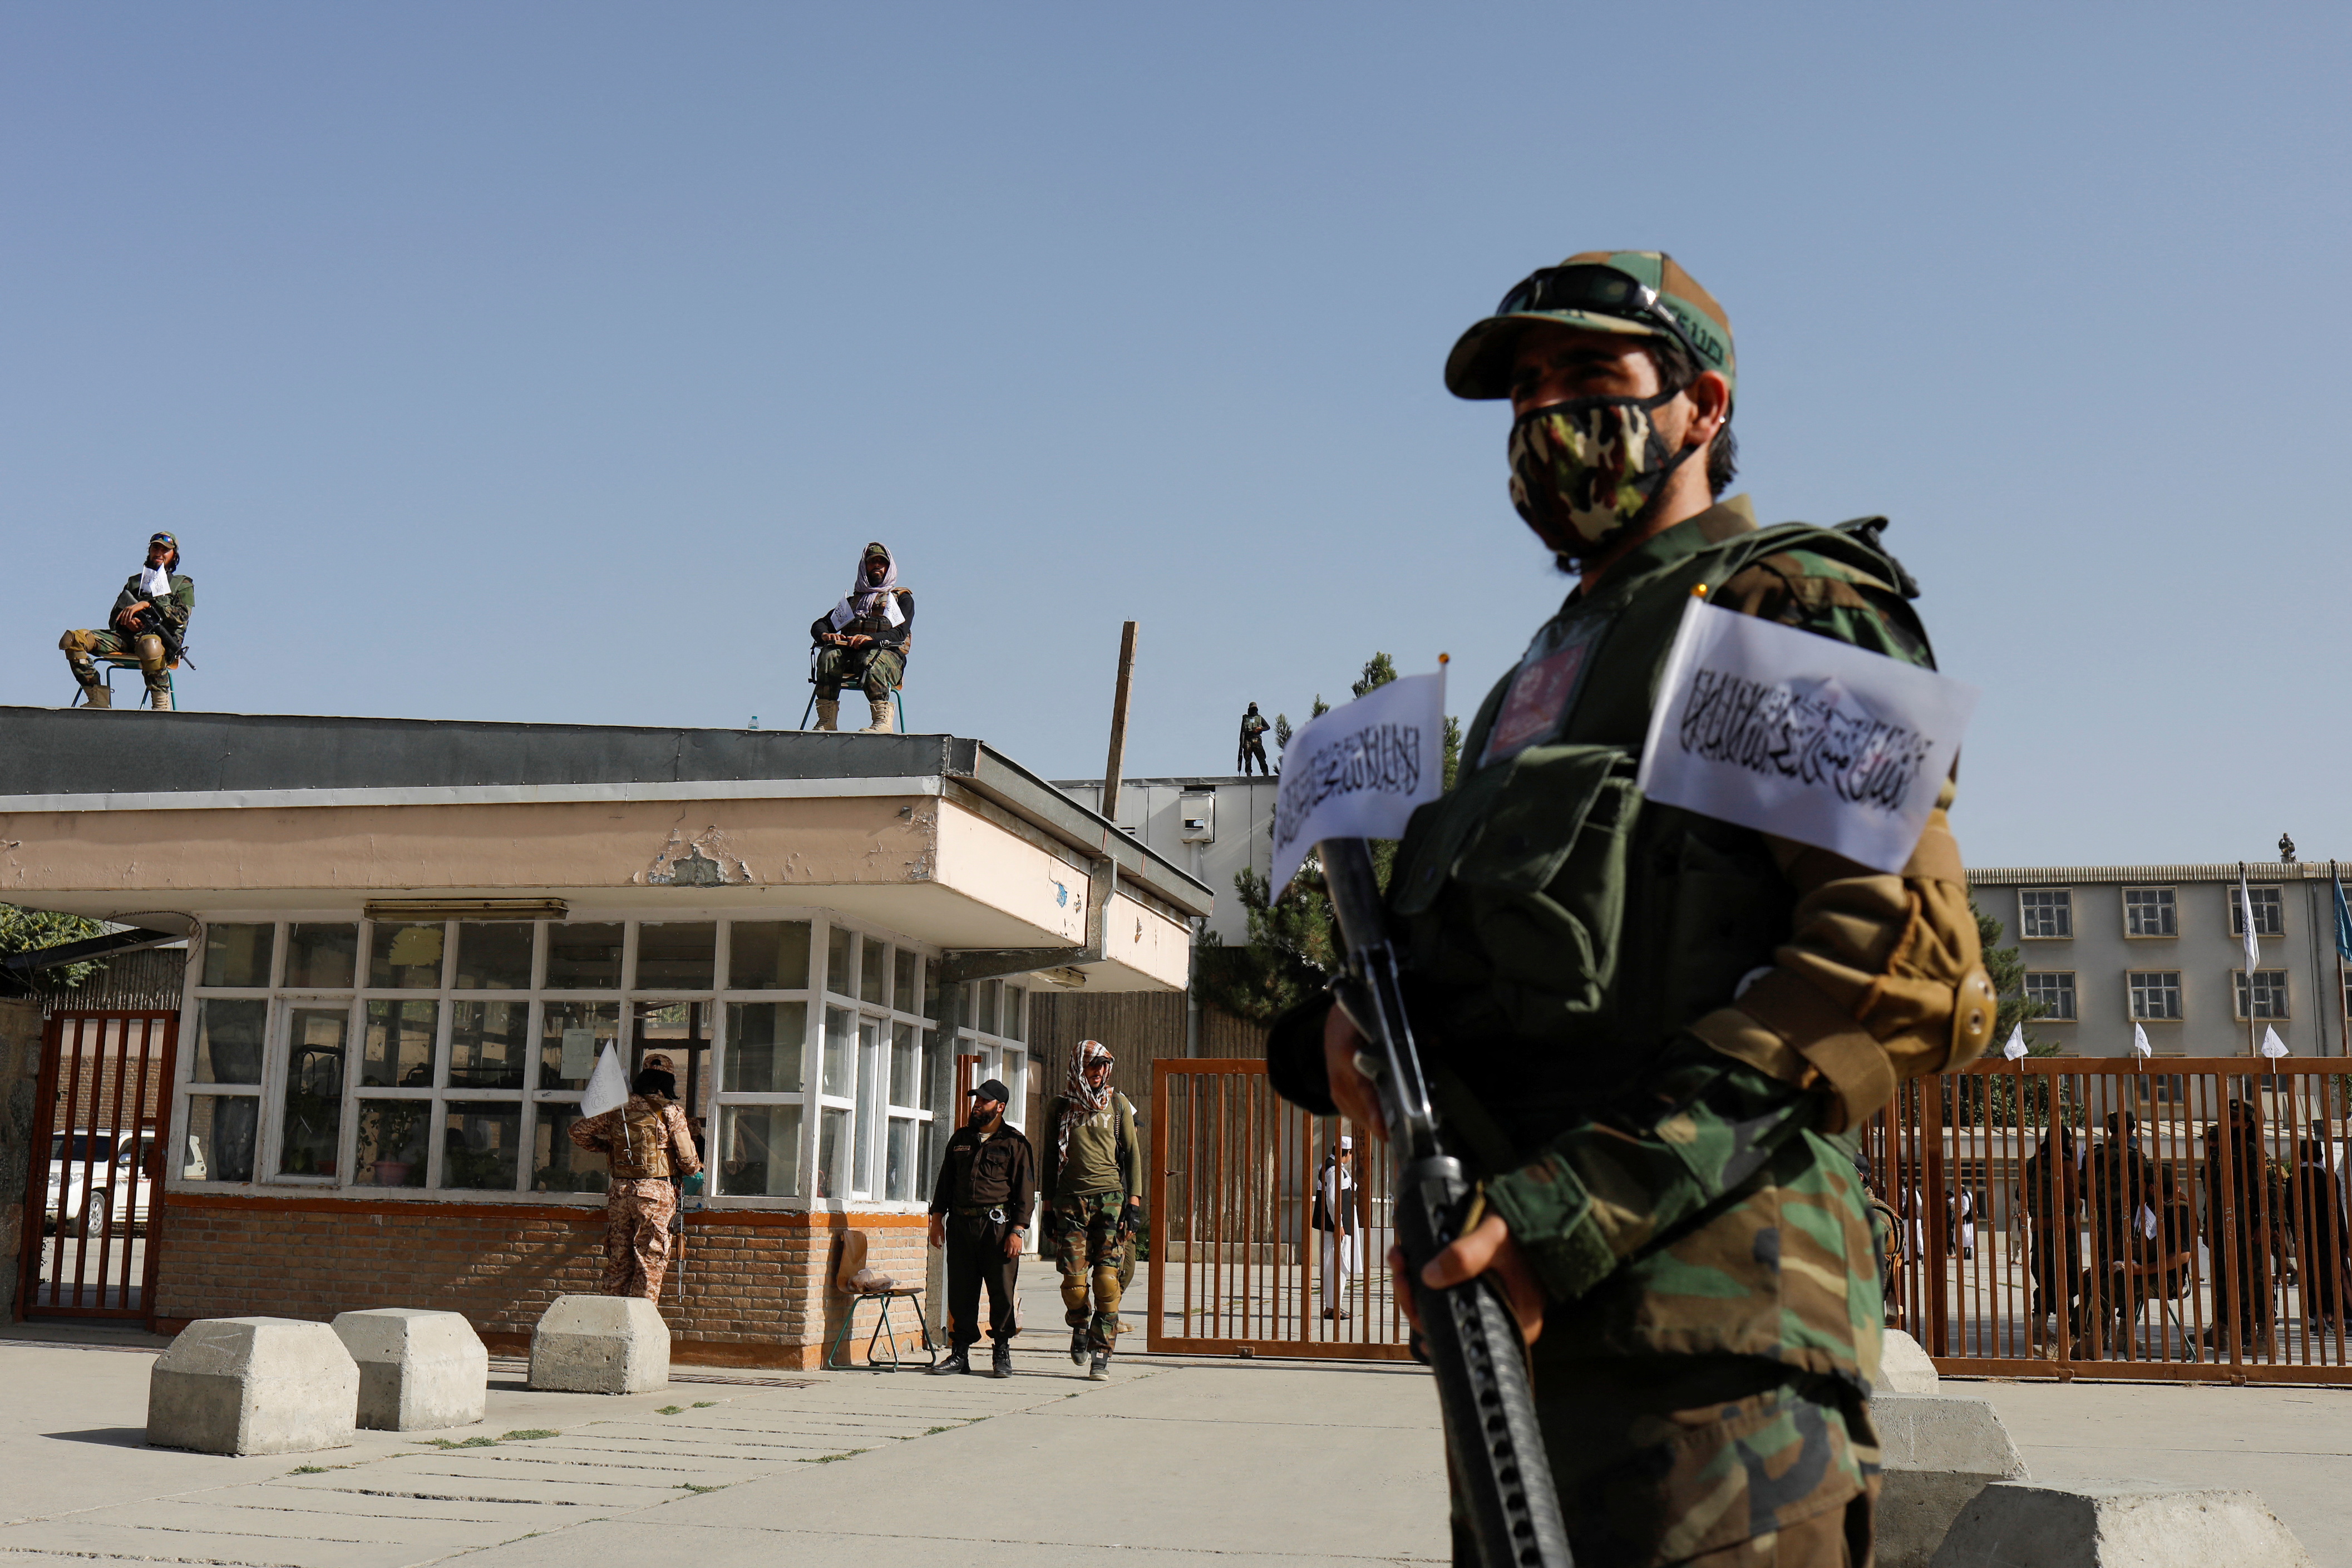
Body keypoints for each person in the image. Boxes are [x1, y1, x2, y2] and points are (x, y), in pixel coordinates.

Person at [1267, 250, 1992, 1566]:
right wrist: (1344, 1024)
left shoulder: (1776, 601)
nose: (1547, 413)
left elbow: (1890, 963)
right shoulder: (1536, 679)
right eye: (1525, 388)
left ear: (1700, 406)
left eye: (1590, 375)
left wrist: (1568, 1208)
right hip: (1525, 1352)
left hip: (1712, 1375)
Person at [1039, 1039, 1141, 1381]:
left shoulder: (1117, 1103)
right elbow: (1049, 1158)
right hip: (1070, 1203)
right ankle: (1081, 1324)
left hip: (1110, 1202)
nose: (1097, 1072)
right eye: (1091, 1065)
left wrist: (1134, 1204)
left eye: (1102, 1066)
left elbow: (1133, 1154)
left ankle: (1101, 1353)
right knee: (1074, 1285)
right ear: (1078, 1068)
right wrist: (1047, 1208)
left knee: (1107, 1282)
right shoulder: (1060, 1106)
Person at [926, 1078, 1035, 1378]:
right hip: (961, 1225)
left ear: (1000, 1107)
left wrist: (1018, 1230)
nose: (977, 1105)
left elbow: (1025, 1191)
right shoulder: (961, 1138)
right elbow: (945, 1182)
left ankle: (1001, 1353)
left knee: (1002, 1292)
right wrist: (937, 1219)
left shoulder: (1015, 1143)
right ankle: (959, 1354)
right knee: (961, 1291)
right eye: (977, 1100)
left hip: (998, 1228)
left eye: (984, 1101)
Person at [568, 1063, 701, 1301]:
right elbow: (689, 1164)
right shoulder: (669, 1111)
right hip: (654, 1196)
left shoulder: (616, 1110)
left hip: (620, 1194)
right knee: (650, 1264)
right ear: (667, 1082)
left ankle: (610, 1319)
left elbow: (577, 1132)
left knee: (618, 1263)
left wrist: (607, 1148)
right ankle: (642, 1321)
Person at [60, 531, 192, 711]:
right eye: (155, 548)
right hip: (126, 638)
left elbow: (181, 617)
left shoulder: (181, 584)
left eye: (165, 550)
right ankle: (97, 698)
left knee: (151, 646)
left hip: (157, 642)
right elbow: (114, 618)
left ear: (174, 555)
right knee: (74, 639)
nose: (159, 553)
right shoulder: (135, 583)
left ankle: (161, 705)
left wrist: (148, 604)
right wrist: (126, 622)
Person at [810, 541, 914, 733]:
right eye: (872, 562)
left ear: (889, 567)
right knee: (829, 655)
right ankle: (827, 721)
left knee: (870, 659)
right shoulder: (853, 603)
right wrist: (825, 635)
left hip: (887, 660)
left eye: (882, 562)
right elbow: (820, 624)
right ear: (864, 567)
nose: (877, 566)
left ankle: (882, 722)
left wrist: (870, 640)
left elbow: (900, 633)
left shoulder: (900, 599)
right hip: (850, 658)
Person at [2019, 1126, 2081, 1352]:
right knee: (2067, 1280)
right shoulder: (2065, 1164)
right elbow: (2072, 1200)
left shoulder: (2033, 1164)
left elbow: (2020, 1194)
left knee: (2044, 1279)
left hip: (2038, 1228)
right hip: (2063, 1229)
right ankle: (2064, 1335)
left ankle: (2038, 1328)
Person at [2294, 1118, 2348, 1332]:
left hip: (2306, 1238)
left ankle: (2319, 1318)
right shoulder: (2329, 1177)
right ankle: (2336, 1316)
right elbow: (2338, 1211)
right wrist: (2344, 1238)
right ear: (2322, 1156)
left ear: (2300, 1156)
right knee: (2335, 1276)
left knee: (2312, 1276)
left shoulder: (2296, 1179)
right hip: (2330, 1237)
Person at [1313, 1133, 1367, 1320]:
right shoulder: (1334, 1170)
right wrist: (1339, 1224)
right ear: (1347, 1153)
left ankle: (1333, 1306)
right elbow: (1332, 1199)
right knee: (1339, 1265)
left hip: (1337, 1223)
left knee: (1334, 1265)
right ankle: (1333, 1307)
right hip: (1336, 1225)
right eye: (1351, 1153)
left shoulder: (1329, 1166)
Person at [1237, 702, 1273, 776]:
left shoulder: (1259, 718)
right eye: (1252, 709)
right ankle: (1249, 775)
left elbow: (1268, 727)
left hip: (1256, 739)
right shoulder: (1245, 718)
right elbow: (1242, 731)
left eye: (1255, 709)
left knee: (1261, 757)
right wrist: (1241, 744)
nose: (1254, 710)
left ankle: (1266, 774)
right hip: (1247, 740)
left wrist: (1260, 729)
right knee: (1247, 757)